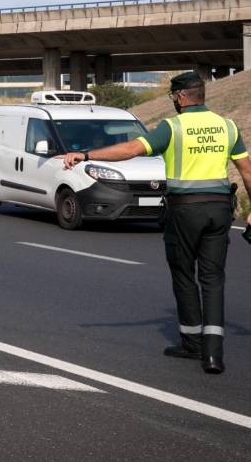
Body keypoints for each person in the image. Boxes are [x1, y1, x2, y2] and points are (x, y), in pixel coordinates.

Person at [63, 72, 251, 374]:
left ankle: (192, 343)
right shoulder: (226, 126)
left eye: (172, 97)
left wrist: (85, 154)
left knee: (183, 273)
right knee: (213, 279)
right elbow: (246, 170)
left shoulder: (173, 127)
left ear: (179, 97)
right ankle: (214, 355)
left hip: (185, 210)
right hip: (220, 211)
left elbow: (130, 150)